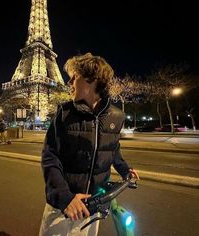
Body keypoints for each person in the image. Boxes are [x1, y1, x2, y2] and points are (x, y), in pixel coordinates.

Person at [40, 52, 139, 236]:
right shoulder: (64, 114)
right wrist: (65, 197)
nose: (69, 83)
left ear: (90, 80)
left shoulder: (117, 116)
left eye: (74, 77)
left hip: (94, 205)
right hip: (63, 207)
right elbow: (49, 157)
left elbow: (113, 149)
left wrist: (125, 169)